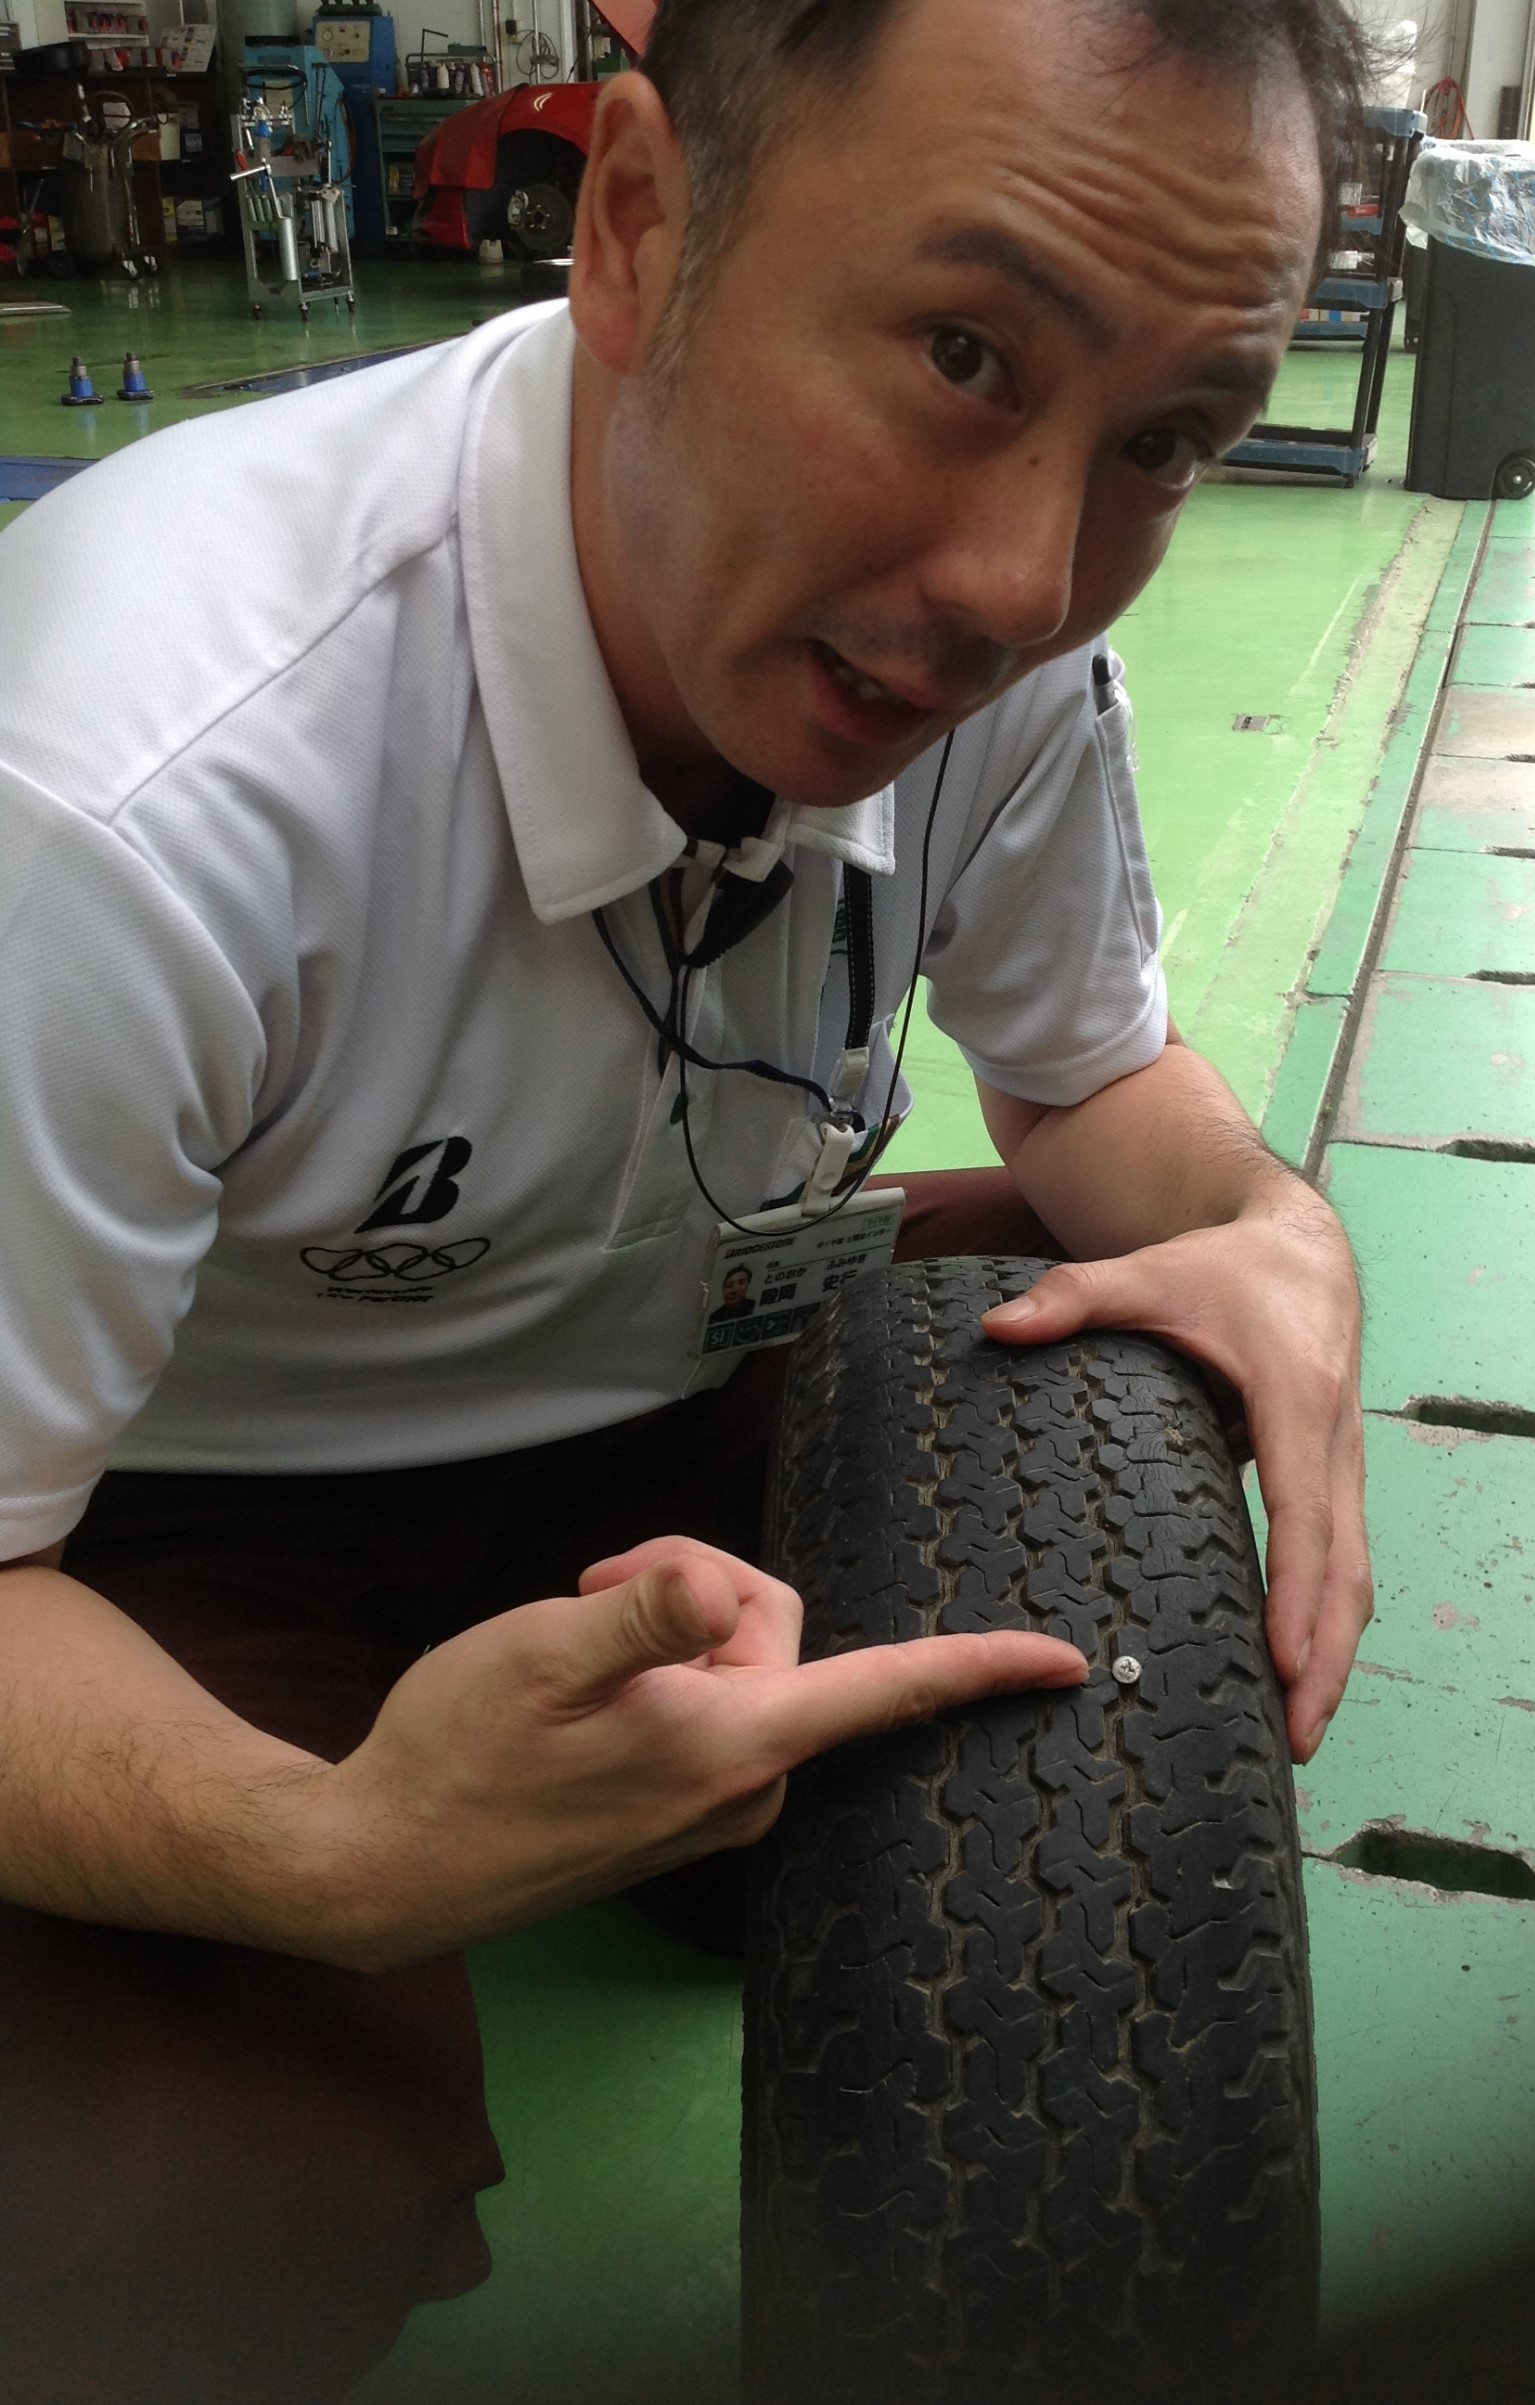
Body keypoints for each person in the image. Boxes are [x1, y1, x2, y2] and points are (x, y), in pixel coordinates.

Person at [0, 0, 1373, 2395]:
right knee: (207, 2225)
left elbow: (1087, 1085)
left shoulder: (996, 663)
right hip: (154, 1519)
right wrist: (320, 1847)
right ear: (636, 225)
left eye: (1160, 439)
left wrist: (1272, 1226)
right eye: (962, 354)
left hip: (687, 1364)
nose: (1021, 581)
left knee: (1128, 1314)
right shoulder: (127, 789)